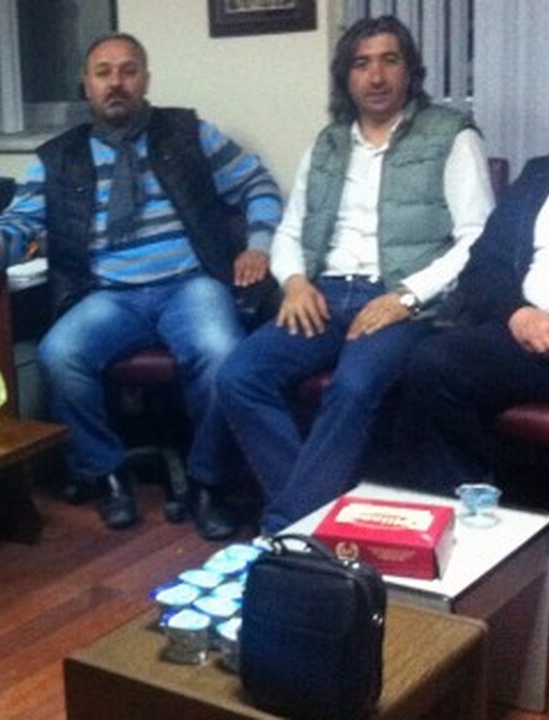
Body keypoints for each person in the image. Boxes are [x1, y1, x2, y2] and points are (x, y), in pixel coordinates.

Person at [0, 33, 282, 538]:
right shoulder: (57, 157)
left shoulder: (189, 133)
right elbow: (22, 218)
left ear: (145, 79)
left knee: (223, 354)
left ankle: (208, 482)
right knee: (58, 354)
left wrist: (258, 245)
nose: (116, 83)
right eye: (103, 72)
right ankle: (106, 474)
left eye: (128, 70)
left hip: (190, 285)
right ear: (86, 85)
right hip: (107, 294)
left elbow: (257, 184)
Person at [217, 16, 495, 534]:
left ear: (411, 71)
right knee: (238, 376)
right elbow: (290, 228)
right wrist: (294, 282)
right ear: (346, 76)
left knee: (352, 386)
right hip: (323, 295)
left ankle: (287, 527)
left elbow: (477, 239)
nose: (376, 76)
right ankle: (316, 515)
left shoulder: (451, 136)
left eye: (390, 60)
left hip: (402, 301)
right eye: (362, 64)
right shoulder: (328, 143)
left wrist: (406, 298)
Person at [398, 156, 549, 491]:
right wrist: (518, 314)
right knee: (436, 361)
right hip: (530, 335)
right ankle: (466, 502)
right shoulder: (539, 175)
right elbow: (483, 266)